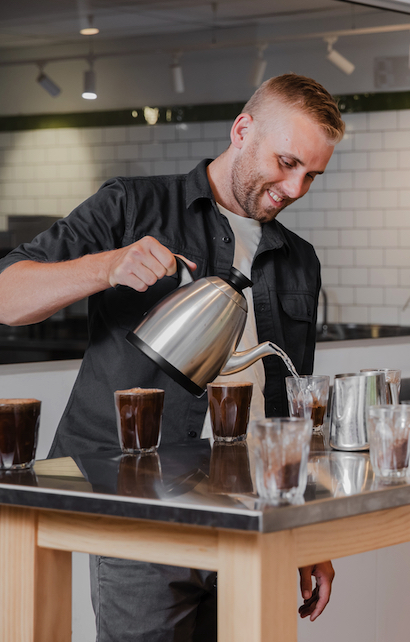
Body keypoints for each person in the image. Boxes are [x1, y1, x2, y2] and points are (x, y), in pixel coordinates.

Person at [0, 73, 342, 640]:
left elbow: (291, 407)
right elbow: (8, 296)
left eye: (311, 174)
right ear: (242, 130)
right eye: (286, 162)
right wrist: (106, 266)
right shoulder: (133, 207)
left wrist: (305, 529)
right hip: (140, 515)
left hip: (250, 511)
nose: (295, 187)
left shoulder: (298, 258)